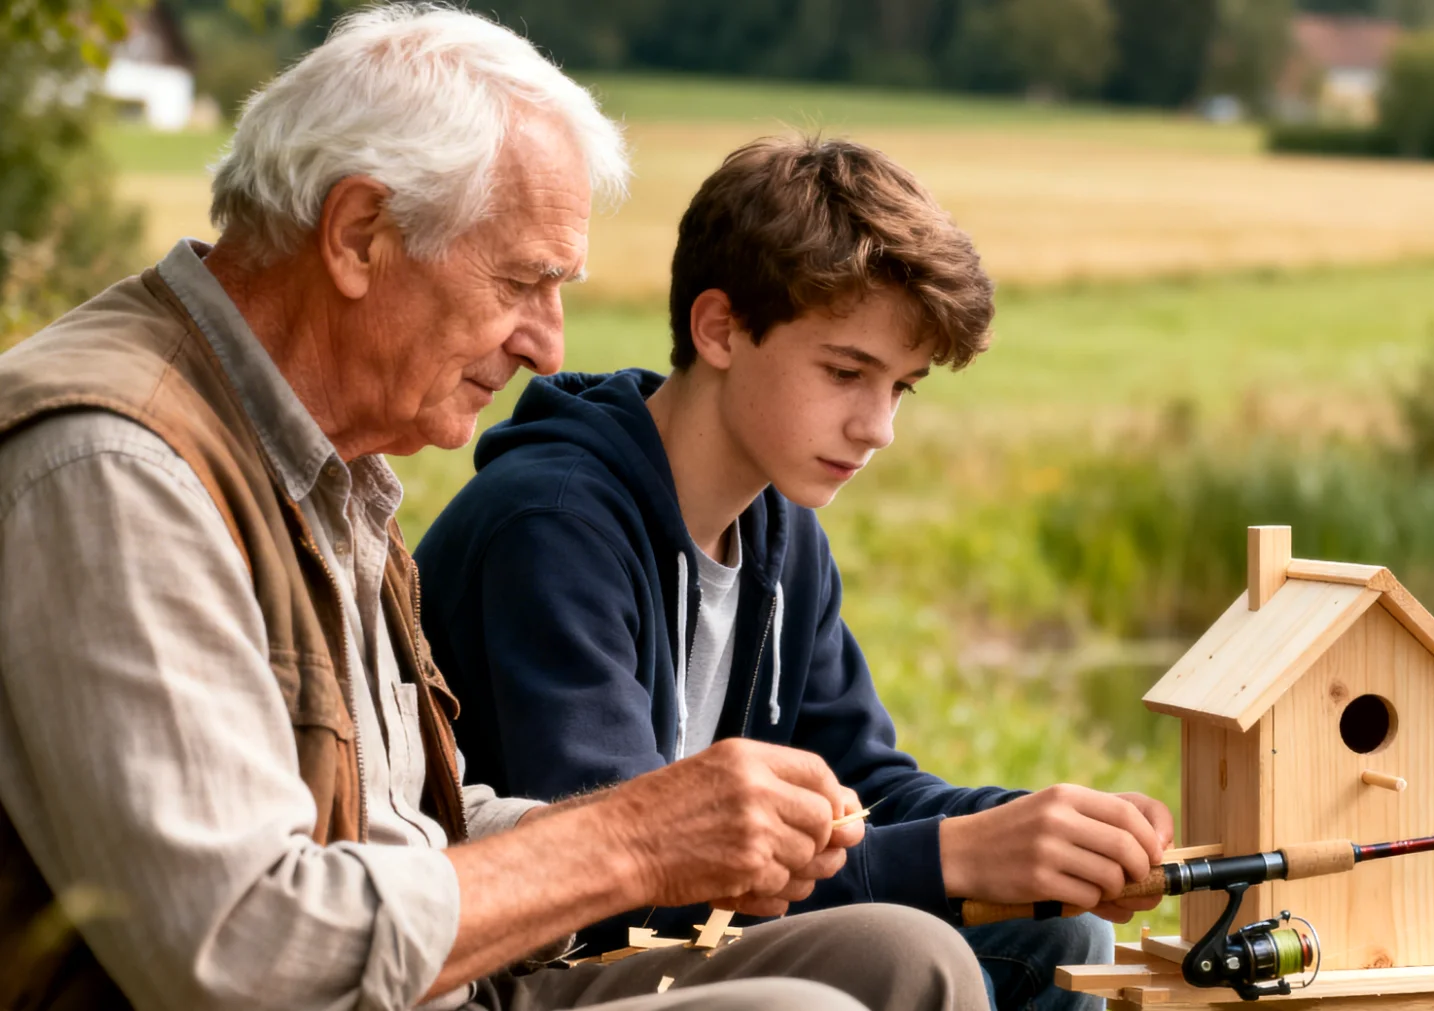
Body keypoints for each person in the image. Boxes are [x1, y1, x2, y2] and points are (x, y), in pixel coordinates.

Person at [0, 8, 989, 1011]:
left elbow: (407, 825)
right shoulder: (118, 463)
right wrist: (635, 843)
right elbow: (242, 947)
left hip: (442, 983)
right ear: (358, 236)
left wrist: (668, 830)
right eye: (522, 282)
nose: (548, 347)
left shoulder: (319, 461)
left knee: (911, 963)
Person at [413, 134, 1177, 1011]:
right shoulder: (550, 524)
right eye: (848, 372)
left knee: (1061, 930)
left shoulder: (780, 524)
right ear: (720, 328)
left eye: (902, 387)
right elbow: (622, 869)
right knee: (926, 944)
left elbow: (866, 788)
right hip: (534, 962)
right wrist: (961, 854)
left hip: (684, 934)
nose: (877, 426)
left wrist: (1040, 828)